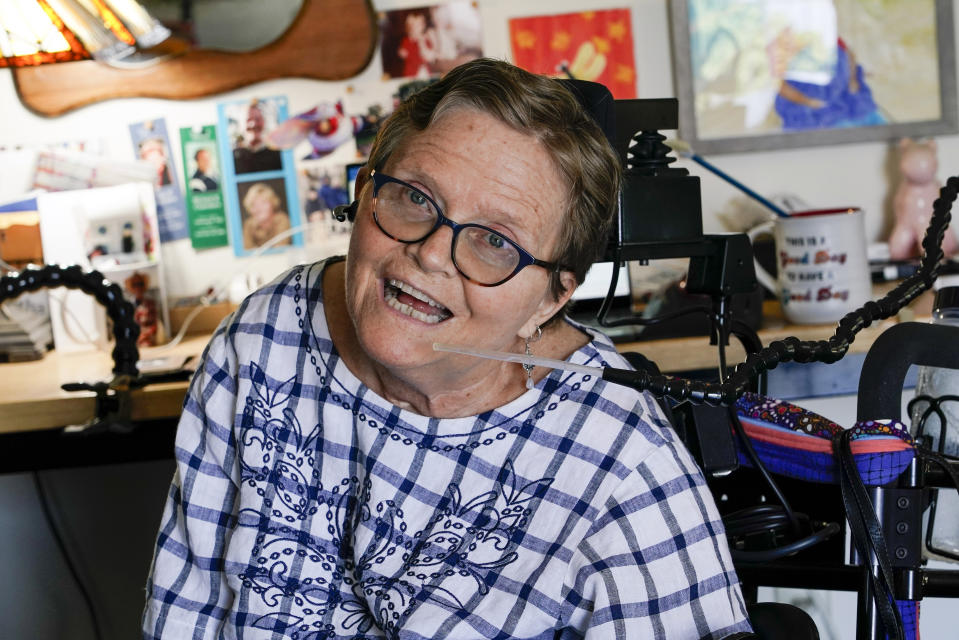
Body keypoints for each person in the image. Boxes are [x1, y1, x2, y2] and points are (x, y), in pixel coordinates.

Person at [142, 58, 751, 639]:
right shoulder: (263, 339)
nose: (431, 254)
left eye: (493, 240)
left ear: (551, 298)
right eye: (415, 198)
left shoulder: (621, 462)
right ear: (363, 192)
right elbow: (187, 609)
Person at [241, 181, 291, 249]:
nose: (258, 208)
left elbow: (280, 248)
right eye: (253, 205)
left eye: (263, 203)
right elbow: (248, 251)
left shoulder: (282, 219)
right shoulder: (249, 225)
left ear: (272, 204)